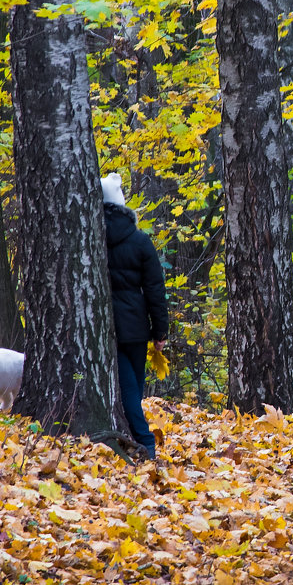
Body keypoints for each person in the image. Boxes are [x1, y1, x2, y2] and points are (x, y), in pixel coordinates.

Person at [102, 173, 169, 459]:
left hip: (106, 326)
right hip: (136, 328)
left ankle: (135, 438)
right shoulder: (140, 240)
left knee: (129, 392)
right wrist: (160, 332)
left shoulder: (89, 237)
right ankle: (147, 445)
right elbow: (154, 288)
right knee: (132, 392)